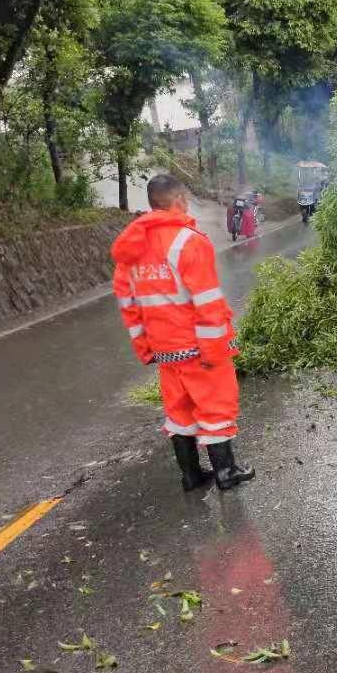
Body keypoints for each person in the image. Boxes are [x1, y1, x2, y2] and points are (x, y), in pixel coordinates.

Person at [112, 174, 255, 491]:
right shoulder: (189, 242)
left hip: (165, 351)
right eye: (186, 200)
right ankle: (226, 472)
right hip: (197, 347)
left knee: (179, 411)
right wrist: (213, 350)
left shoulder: (131, 250)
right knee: (215, 405)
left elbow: (128, 304)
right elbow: (207, 303)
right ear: (178, 201)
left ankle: (191, 476)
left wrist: (143, 346)